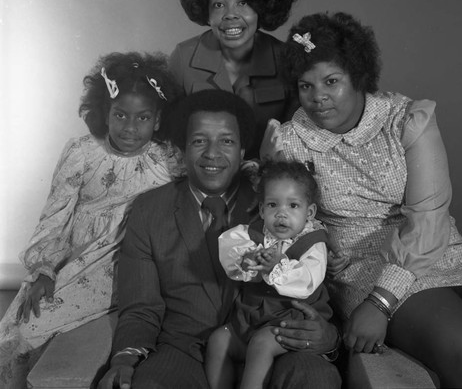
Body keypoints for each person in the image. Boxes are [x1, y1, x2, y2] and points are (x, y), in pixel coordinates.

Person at [262, 11, 462, 388]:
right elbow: (288, 219)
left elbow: (429, 215)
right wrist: (375, 300)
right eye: (305, 86)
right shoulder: (290, 141)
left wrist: (382, 303)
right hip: (365, 267)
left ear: (358, 74)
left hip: (439, 247)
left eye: (331, 81)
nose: (318, 97)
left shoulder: (406, 118)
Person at [97, 90, 342, 389]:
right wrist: (125, 356)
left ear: (241, 152)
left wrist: (329, 337)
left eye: (226, 141)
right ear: (183, 149)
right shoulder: (150, 211)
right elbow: (141, 306)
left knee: (315, 380)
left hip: (279, 342)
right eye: (199, 141)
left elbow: (320, 283)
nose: (212, 153)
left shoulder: (280, 204)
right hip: (184, 351)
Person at [0, 52, 183, 388]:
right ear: (105, 113)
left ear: (157, 120)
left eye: (142, 118)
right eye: (121, 115)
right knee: (20, 327)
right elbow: (55, 214)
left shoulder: (167, 159)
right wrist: (43, 269)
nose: (130, 127)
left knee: (45, 324)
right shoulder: (82, 152)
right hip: (74, 253)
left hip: (126, 259)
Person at [205, 160, 333, 389]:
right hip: (250, 317)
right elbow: (230, 252)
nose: (281, 215)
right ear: (263, 209)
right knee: (218, 340)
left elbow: (308, 280)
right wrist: (247, 260)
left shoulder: (313, 242)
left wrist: (279, 266)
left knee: (261, 344)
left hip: (290, 318)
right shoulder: (253, 234)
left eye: (293, 206)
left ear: (309, 211)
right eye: (273, 205)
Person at [169, 0, 300, 158]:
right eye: (219, 4)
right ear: (206, 11)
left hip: (268, 178)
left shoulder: (285, 58)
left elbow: (296, 135)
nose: (231, 15)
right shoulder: (184, 57)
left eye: (243, 2)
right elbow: (169, 133)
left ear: (262, 7)